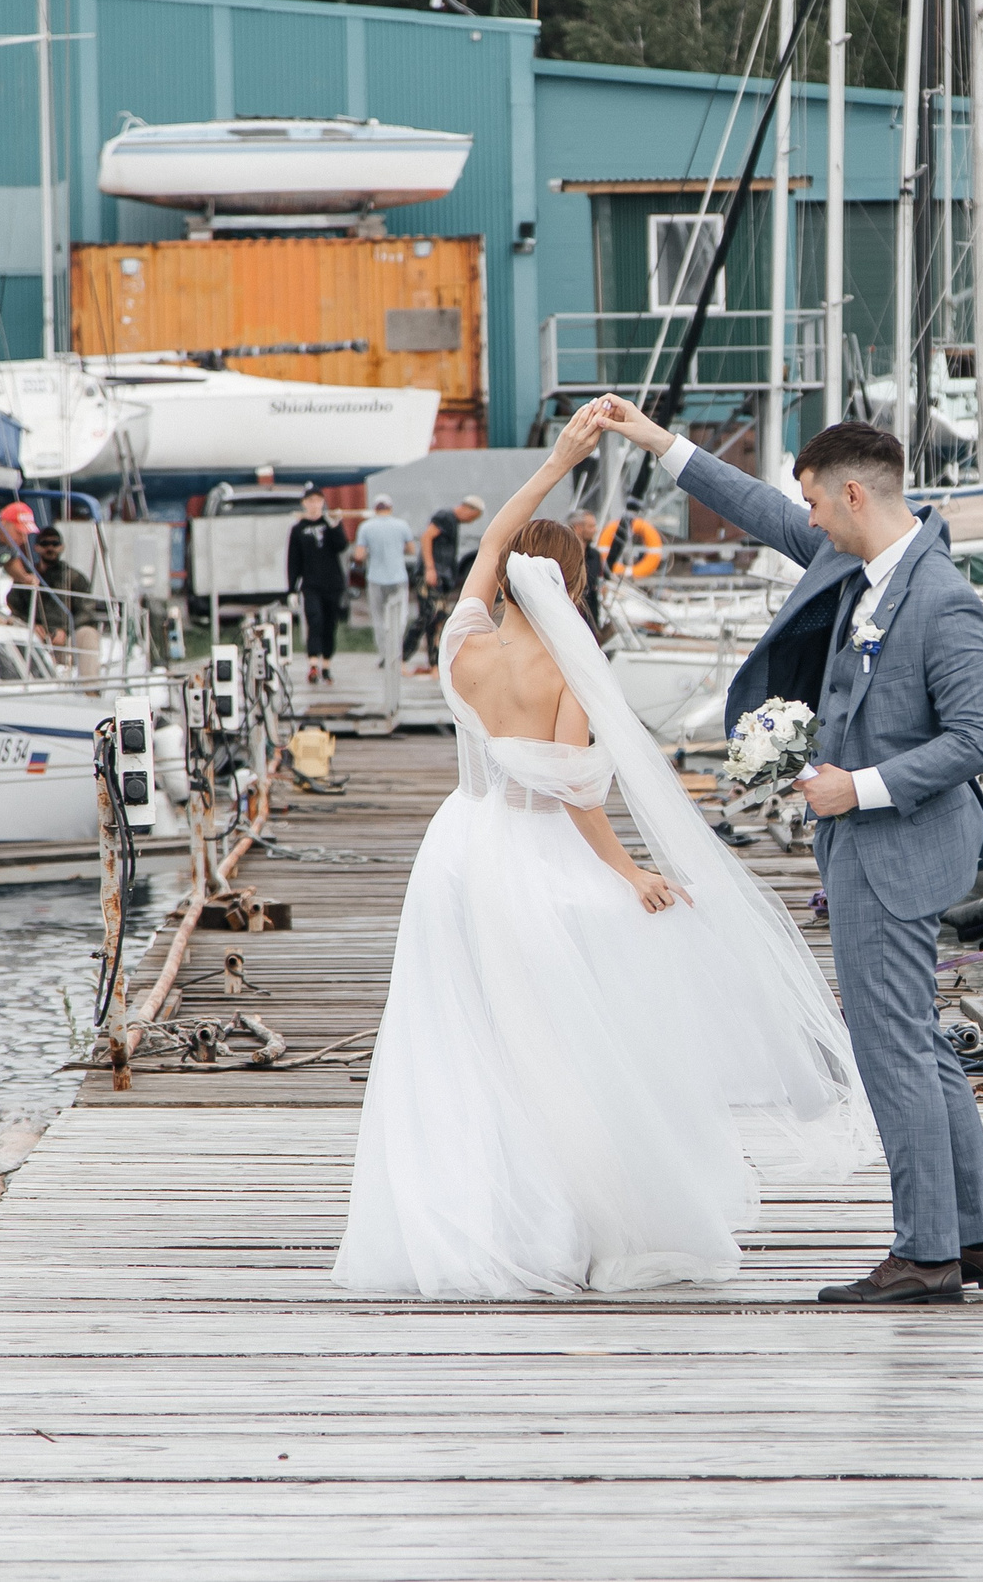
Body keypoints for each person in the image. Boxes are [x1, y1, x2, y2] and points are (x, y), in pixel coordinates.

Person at [332, 402, 869, 1298]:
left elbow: (495, 538)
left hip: (455, 848)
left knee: (455, 1039)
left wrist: (555, 463)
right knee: (557, 1043)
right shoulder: (570, 670)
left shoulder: (462, 643)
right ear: (572, 588)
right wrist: (633, 873)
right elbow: (575, 794)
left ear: (505, 576)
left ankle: (459, 1207)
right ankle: (569, 1215)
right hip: (529, 856)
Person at [592, 396, 983, 1306]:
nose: (809, 521)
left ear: (855, 494)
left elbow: (979, 740)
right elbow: (760, 506)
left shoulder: (942, 598)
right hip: (871, 845)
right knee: (925, 1045)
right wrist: (656, 440)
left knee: (889, 1048)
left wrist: (853, 787)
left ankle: (926, 1255)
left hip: (894, 845)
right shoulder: (854, 554)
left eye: (819, 505)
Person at [404, 494, 485, 672]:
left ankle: (434, 664)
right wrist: (430, 569)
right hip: (431, 575)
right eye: (473, 518)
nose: (471, 522)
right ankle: (403, 658)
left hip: (440, 577)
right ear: (468, 509)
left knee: (437, 618)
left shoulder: (453, 521)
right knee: (428, 616)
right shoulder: (445, 516)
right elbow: (426, 537)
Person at [9, 527, 103, 673]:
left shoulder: (74, 578)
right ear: (37, 548)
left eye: (55, 543)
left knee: (88, 634)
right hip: (33, 635)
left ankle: (90, 689)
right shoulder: (27, 577)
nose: (50, 548)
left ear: (62, 547)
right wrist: (31, 625)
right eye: (45, 544)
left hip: (66, 638)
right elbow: (14, 607)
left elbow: (87, 611)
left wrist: (66, 631)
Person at [353, 494, 415, 713]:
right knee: (400, 616)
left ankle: (384, 655)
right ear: (390, 507)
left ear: (375, 508)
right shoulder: (401, 525)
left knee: (379, 619)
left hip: (376, 577)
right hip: (398, 577)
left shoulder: (366, 527)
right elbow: (411, 550)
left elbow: (359, 555)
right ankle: (397, 654)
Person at [286, 489, 349, 684]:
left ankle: (327, 666)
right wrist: (292, 589)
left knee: (330, 624)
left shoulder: (329, 524)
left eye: (318, 501)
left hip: (333, 584)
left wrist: (335, 526)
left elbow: (342, 546)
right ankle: (312, 664)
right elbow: (293, 560)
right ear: (305, 503)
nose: (314, 505)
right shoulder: (298, 529)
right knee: (315, 621)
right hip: (311, 584)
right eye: (310, 501)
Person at [568, 506, 611, 643]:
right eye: (591, 526)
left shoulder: (595, 556)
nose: (595, 530)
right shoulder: (565, 555)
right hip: (570, 620)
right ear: (578, 528)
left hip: (591, 619)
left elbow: (599, 581)